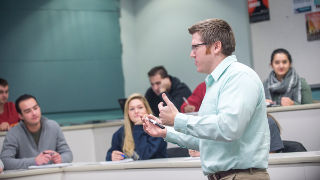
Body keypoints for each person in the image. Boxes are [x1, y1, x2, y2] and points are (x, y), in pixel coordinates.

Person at [143, 18, 270, 179]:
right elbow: (207, 139)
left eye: (196, 47)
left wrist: (178, 119)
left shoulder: (239, 76)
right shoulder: (214, 83)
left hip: (242, 176)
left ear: (216, 46)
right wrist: (165, 131)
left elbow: (229, 128)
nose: (191, 54)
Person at [0, 94, 73, 170]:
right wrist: (34, 161)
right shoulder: (13, 133)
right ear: (20, 116)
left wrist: (61, 158)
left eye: (35, 108)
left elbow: (68, 154)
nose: (34, 113)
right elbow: (5, 161)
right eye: (28, 111)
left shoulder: (53, 126)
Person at [106, 93, 167, 161]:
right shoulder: (121, 132)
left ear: (146, 109)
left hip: (156, 170)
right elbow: (110, 154)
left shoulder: (157, 130)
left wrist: (138, 127)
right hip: (130, 171)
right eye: (132, 109)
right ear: (127, 113)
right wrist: (111, 157)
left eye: (140, 107)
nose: (136, 111)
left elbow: (144, 157)